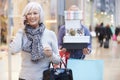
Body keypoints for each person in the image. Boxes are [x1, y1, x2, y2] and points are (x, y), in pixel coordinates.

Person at [9, 2, 60, 80]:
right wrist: (21, 28)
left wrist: (51, 55)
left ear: (40, 15)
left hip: (44, 78)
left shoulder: (50, 34)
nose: (32, 16)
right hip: (24, 77)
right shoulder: (22, 33)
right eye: (29, 14)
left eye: (35, 13)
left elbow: (57, 61)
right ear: (25, 17)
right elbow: (13, 50)